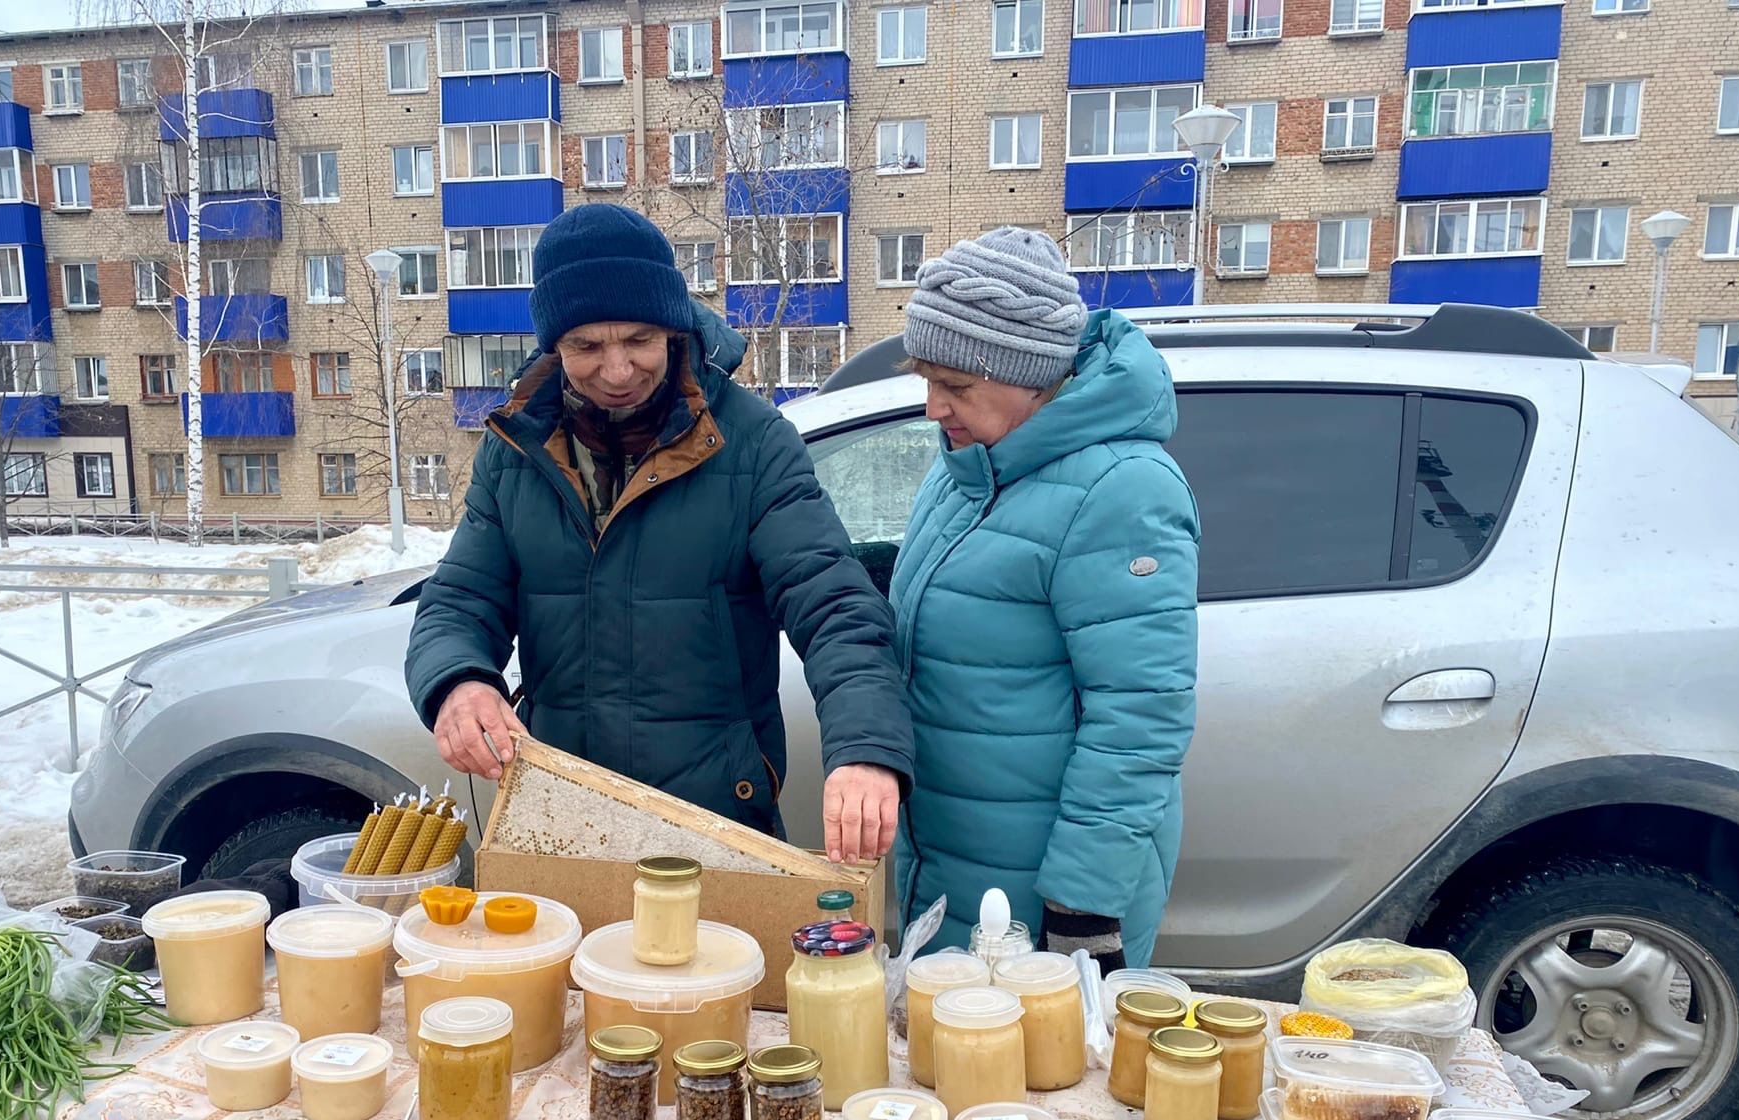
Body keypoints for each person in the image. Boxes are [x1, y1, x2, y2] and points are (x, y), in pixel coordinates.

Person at [405, 203, 912, 863]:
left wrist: (865, 746)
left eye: (639, 339)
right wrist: (456, 681)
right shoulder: (515, 450)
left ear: (674, 329)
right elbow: (460, 598)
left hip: (713, 830)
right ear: (552, 345)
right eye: (587, 346)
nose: (617, 371)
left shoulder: (753, 442)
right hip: (561, 822)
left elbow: (835, 605)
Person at [887, 227, 1199, 969]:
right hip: (953, 859)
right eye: (926, 380)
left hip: (1044, 896)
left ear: (1032, 375)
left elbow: (1140, 718)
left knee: (1034, 1080)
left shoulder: (1122, 489)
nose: (934, 408)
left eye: (956, 386)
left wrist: (1082, 906)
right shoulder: (969, 469)